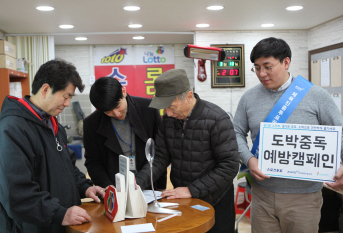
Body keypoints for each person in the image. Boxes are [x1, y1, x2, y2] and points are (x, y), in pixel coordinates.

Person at [233, 37, 343, 233]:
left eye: (267, 66)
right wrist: (249, 159)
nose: (262, 74)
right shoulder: (249, 98)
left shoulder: (317, 96)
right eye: (256, 68)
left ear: (286, 62)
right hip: (262, 195)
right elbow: (236, 132)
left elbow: (339, 133)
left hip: (304, 198)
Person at [0, 59, 105, 233]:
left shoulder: (52, 125)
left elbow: (67, 167)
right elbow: (16, 193)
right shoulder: (11, 130)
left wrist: (86, 187)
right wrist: (60, 214)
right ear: (45, 90)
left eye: (70, 98)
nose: (67, 103)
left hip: (59, 226)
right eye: (65, 96)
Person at [135, 69, 239, 233]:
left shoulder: (217, 119)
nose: (168, 113)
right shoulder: (168, 120)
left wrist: (192, 190)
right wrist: (137, 182)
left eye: (171, 106)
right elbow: (160, 158)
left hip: (215, 199)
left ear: (189, 96)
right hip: (183, 199)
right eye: (165, 108)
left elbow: (230, 165)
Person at [83, 77, 166, 190]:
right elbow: (93, 162)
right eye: (108, 111)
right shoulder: (91, 123)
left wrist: (140, 183)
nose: (117, 114)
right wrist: (108, 187)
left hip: (148, 184)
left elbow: (159, 153)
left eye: (118, 106)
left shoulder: (148, 109)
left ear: (123, 92)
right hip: (116, 188)